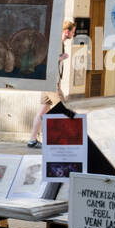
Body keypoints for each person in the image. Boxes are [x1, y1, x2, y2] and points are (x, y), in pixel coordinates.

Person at [28, 19, 76, 147]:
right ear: (67, 31)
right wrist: (61, 58)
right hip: (50, 81)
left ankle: (32, 140)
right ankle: (65, 139)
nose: (74, 35)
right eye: (73, 32)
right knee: (63, 108)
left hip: (50, 81)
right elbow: (46, 59)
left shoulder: (58, 42)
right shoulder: (56, 43)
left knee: (43, 110)